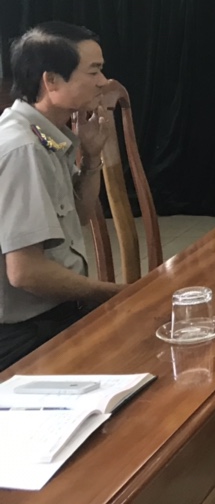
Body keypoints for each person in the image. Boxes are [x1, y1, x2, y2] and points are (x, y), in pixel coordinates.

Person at [1, 23, 120, 370]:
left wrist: (92, 157)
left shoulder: (44, 135)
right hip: (27, 335)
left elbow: (80, 215)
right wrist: (112, 293)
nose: (103, 81)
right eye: (93, 72)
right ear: (51, 81)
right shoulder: (23, 149)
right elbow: (26, 273)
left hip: (56, 313)